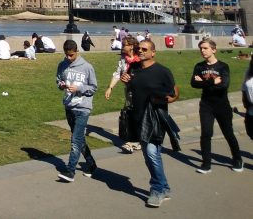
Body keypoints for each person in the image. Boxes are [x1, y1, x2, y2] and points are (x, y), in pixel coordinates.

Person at [121, 39, 178, 207]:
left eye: (144, 49)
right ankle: (165, 187)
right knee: (149, 155)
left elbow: (175, 93)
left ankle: (157, 190)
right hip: (138, 117)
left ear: (153, 52)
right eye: (139, 49)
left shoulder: (162, 71)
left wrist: (166, 100)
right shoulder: (134, 68)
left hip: (155, 118)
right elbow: (133, 88)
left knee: (152, 153)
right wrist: (127, 82)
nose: (140, 51)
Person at [190, 38, 243, 173]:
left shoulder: (223, 66)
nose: (202, 51)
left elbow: (223, 86)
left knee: (228, 133)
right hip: (206, 105)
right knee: (206, 133)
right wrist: (213, 82)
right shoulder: (199, 66)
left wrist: (203, 82)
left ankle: (237, 159)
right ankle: (206, 164)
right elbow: (193, 84)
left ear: (213, 49)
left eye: (205, 48)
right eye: (201, 48)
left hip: (222, 105)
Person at [56, 39, 98, 181]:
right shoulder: (62, 65)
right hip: (69, 106)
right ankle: (91, 164)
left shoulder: (87, 67)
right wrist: (61, 85)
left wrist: (79, 88)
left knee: (75, 140)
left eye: (71, 55)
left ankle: (70, 171)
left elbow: (93, 88)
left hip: (83, 108)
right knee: (79, 138)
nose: (69, 58)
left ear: (77, 52)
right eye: (66, 55)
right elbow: (58, 80)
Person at [104, 35, 141, 152]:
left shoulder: (140, 58)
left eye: (124, 44)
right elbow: (117, 73)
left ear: (131, 46)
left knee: (139, 115)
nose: (122, 46)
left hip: (141, 91)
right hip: (129, 92)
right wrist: (110, 88)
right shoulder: (123, 59)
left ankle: (137, 141)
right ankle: (130, 142)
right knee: (129, 114)